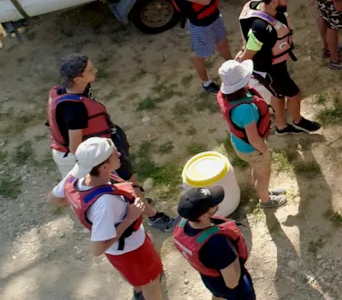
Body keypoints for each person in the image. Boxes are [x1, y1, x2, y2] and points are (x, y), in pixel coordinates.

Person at [47, 54, 176, 231]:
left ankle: (136, 200)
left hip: (98, 146)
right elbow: (75, 147)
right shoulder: (74, 110)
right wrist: (103, 160)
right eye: (91, 70)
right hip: (92, 154)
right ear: (78, 79)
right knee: (130, 184)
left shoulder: (73, 90)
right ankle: (155, 217)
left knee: (128, 181)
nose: (96, 71)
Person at [48, 138, 165, 300]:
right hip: (132, 250)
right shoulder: (105, 203)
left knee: (137, 278)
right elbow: (97, 249)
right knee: (151, 282)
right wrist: (129, 218)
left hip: (119, 253)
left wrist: (83, 207)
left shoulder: (77, 175)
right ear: (104, 166)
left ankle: (139, 290)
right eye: (113, 154)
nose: (118, 154)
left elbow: (54, 198)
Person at [237, 0, 322, 135]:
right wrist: (238, 69)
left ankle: (281, 127)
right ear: (275, 1)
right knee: (294, 94)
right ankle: (298, 122)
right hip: (269, 71)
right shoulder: (261, 28)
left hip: (276, 65)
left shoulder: (271, 11)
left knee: (278, 94)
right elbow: (249, 52)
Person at [163, 0, 232, 93]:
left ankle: (234, 69)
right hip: (200, 25)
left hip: (215, 16)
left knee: (223, 43)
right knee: (202, 55)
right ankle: (206, 83)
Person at [216, 60, 286, 209]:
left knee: (257, 169)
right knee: (263, 176)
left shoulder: (227, 97)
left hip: (239, 144)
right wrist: (264, 151)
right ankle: (266, 201)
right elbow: (253, 138)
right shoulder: (245, 110)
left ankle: (263, 192)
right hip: (252, 149)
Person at [174, 186, 256, 299]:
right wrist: (233, 254)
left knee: (218, 294)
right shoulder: (218, 243)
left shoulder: (183, 223)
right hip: (233, 288)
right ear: (203, 216)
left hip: (210, 279)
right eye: (212, 204)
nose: (216, 204)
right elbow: (232, 283)